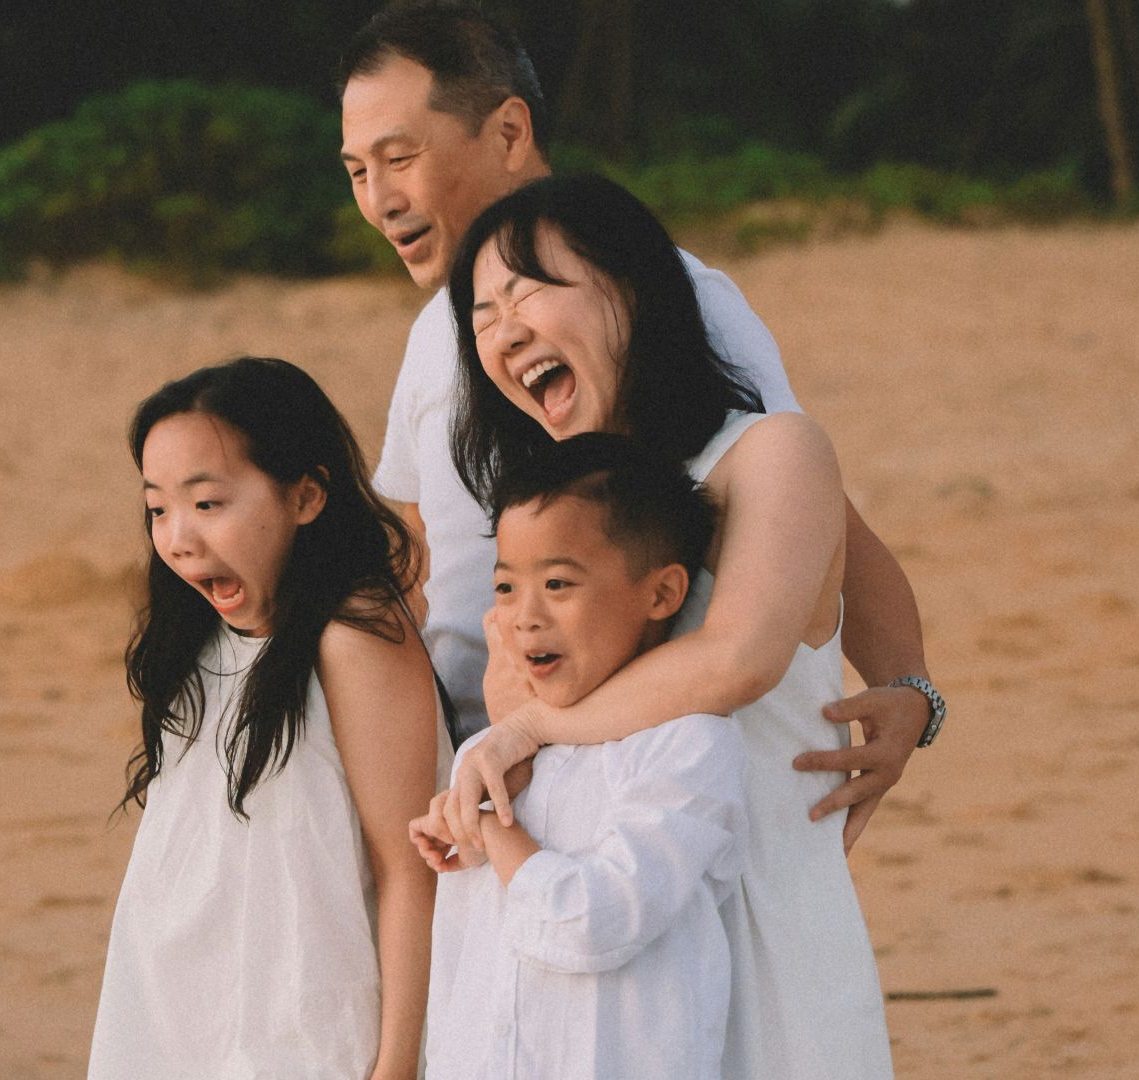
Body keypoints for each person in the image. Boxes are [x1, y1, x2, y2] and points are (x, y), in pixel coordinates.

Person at [337, 0, 945, 848]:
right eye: (357, 172)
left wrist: (910, 688)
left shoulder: (671, 299)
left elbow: (810, 518)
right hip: (480, 784)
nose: (380, 200)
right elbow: (422, 555)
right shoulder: (438, 336)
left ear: (510, 133)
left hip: (640, 775)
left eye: (400, 159)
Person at [447, 172, 894, 1078]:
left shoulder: (772, 453)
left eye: (526, 289)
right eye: (482, 315)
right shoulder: (546, 523)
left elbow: (736, 660)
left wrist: (916, 690)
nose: (502, 330)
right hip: (597, 965)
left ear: (632, 287)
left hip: (760, 934)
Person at [88, 357, 450, 1080]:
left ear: (307, 496)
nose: (178, 538)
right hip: (177, 1009)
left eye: (208, 503)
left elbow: (411, 872)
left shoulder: (353, 638)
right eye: (158, 507)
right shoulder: (196, 637)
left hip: (310, 1027)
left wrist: (396, 1068)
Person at [410, 434, 748, 1079]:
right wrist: (455, 824)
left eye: (558, 583)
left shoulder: (689, 746)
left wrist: (487, 827)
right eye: (506, 587)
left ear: (662, 594)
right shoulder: (491, 752)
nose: (523, 617)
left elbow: (594, 920)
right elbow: (464, 963)